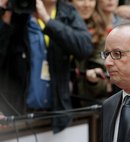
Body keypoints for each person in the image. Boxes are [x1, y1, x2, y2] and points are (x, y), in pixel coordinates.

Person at [0, 0, 92, 133]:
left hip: (56, 116)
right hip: (17, 116)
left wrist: (48, 21)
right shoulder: (16, 12)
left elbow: (85, 48)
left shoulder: (66, 11)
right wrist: (5, 16)